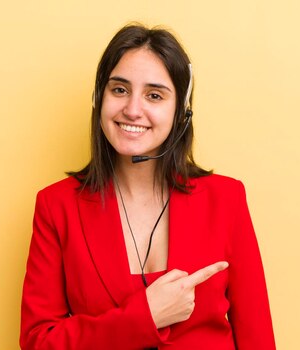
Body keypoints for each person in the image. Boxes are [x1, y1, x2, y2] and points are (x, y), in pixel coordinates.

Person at [20, 23, 276, 350]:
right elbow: (38, 342)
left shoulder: (226, 199)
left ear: (181, 111)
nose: (133, 109)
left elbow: (258, 339)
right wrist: (145, 317)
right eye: (119, 89)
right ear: (99, 98)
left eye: (154, 95)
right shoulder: (56, 206)